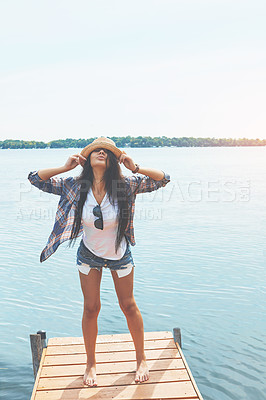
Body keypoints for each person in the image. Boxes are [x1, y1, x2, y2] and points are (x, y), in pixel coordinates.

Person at [28, 137, 170, 387]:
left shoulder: (125, 184)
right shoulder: (74, 185)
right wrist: (65, 168)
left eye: (107, 151)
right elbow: (36, 179)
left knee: (128, 306)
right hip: (89, 254)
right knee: (91, 308)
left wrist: (135, 167)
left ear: (113, 160)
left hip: (119, 254)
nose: (102, 152)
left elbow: (163, 179)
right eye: (96, 150)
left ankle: (141, 359)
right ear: (88, 159)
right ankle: (91, 363)